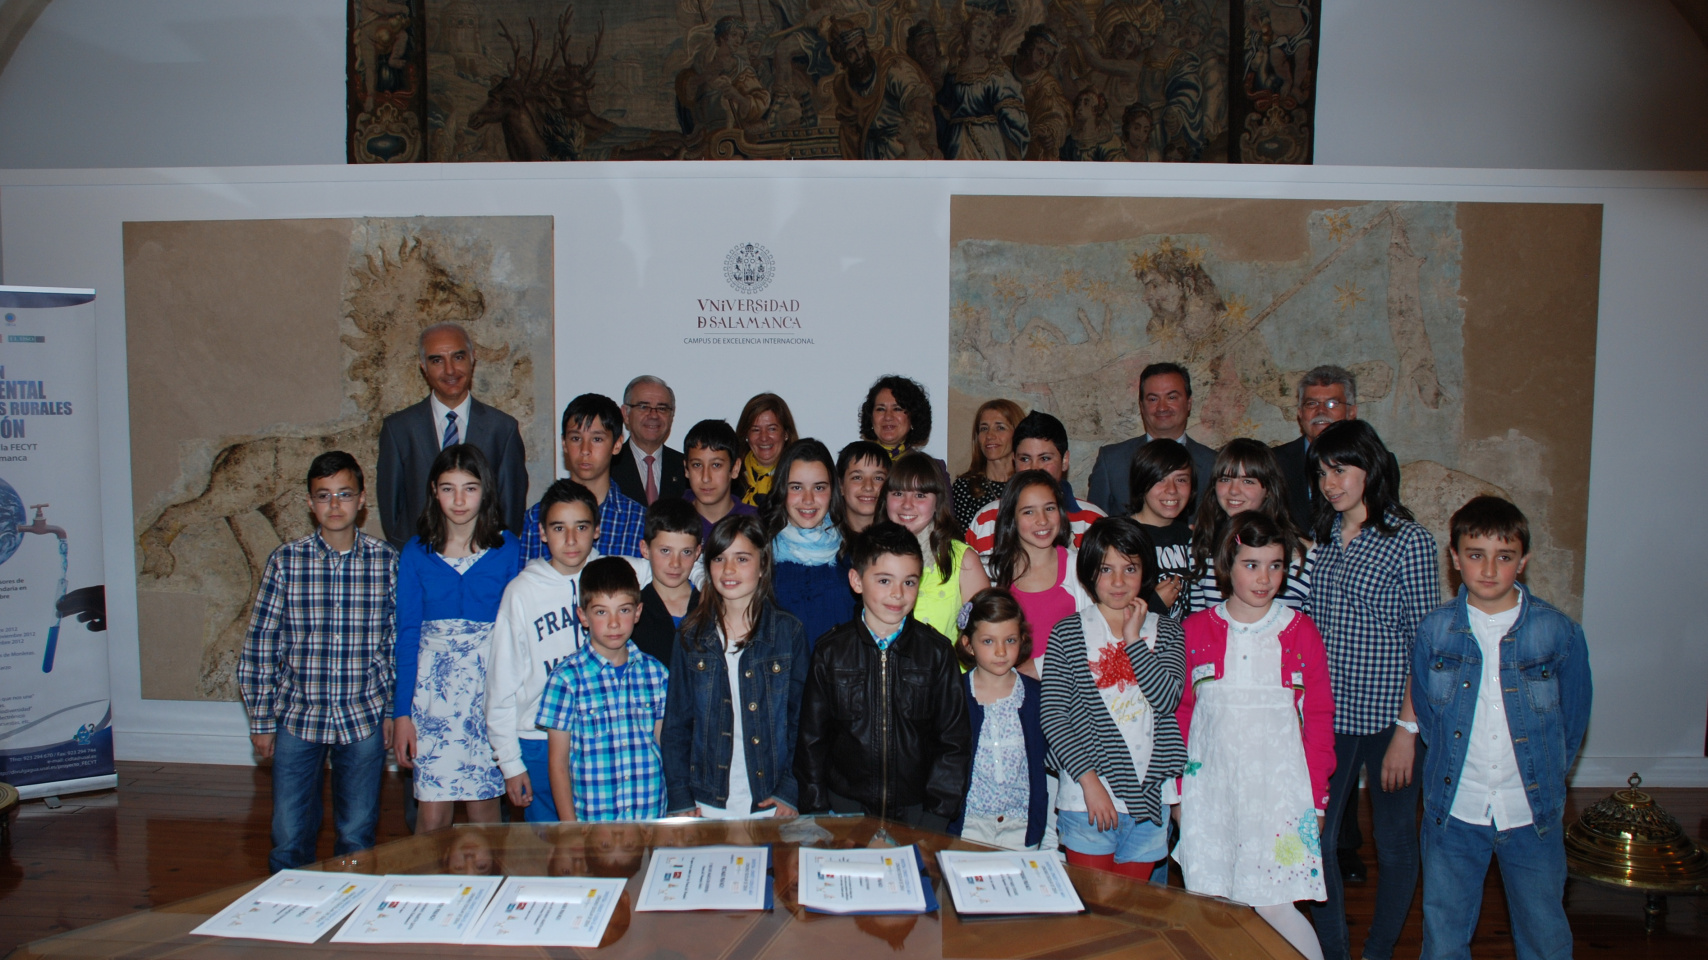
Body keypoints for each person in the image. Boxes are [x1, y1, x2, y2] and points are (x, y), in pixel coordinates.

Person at [1414, 496, 1591, 960]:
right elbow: (1430, 719)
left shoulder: (1558, 633)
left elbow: (1571, 724)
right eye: (1476, 555)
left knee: (1544, 934)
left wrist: (1545, 779)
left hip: (1529, 812)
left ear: (1523, 561)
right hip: (1455, 810)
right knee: (1444, 935)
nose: (1489, 569)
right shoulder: (1434, 632)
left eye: (1504, 557)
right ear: (1454, 559)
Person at [1304, 419, 1440, 960]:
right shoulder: (1326, 536)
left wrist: (1409, 730)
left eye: (1341, 469)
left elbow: (1426, 644)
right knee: (1316, 840)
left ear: (1371, 467)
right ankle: (1335, 949)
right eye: (1321, 472)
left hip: (1390, 720)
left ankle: (1380, 951)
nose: (1330, 482)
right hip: (1330, 718)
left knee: (1395, 842)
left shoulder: (1409, 541)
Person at [1177, 512, 1335, 960]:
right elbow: (1182, 716)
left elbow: (1319, 720)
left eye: (1276, 565)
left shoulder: (1300, 632)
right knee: (1214, 904)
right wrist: (1178, 793)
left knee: (1275, 903)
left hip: (1279, 796)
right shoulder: (1195, 632)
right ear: (1227, 563)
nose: (1265, 578)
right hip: (1212, 793)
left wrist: (1317, 798)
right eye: (1251, 564)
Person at [239, 451, 397, 872]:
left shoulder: (385, 563)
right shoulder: (286, 562)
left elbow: (395, 644)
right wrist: (261, 720)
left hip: (362, 716)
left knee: (357, 832)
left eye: (344, 495)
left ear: (362, 500)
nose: (334, 505)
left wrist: (391, 710)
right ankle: (288, 910)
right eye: (323, 496)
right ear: (309, 503)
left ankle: (350, 908)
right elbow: (261, 645)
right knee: (289, 832)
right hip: (297, 716)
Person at [486, 479, 650, 823]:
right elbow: (500, 684)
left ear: (597, 530)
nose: (571, 540)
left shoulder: (619, 573)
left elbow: (676, 568)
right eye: (559, 528)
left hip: (607, 734)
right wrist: (510, 762)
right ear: (543, 533)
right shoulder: (521, 593)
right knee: (552, 851)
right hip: (539, 739)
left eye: (582, 527)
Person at [795, 522, 972, 830]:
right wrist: (817, 809)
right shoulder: (830, 652)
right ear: (857, 580)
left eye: (909, 582)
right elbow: (812, 740)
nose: (897, 594)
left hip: (918, 813)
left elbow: (953, 742)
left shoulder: (938, 653)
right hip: (845, 810)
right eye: (884, 580)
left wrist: (937, 815)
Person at [1040, 517, 1186, 879]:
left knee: (1131, 912)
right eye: (1106, 569)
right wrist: (1091, 785)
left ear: (1145, 572)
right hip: (1085, 797)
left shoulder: (1166, 631)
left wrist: (1134, 640)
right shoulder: (1068, 632)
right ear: (1090, 573)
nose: (1118, 582)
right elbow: (1054, 717)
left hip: (1149, 799)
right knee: (1094, 909)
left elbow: (1166, 699)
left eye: (1130, 568)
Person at [392, 443, 518, 833]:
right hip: (433, 698)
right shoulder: (416, 552)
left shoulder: (507, 548)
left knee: (484, 808)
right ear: (433, 490)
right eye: (448, 488)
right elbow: (407, 633)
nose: (459, 500)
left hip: (488, 692)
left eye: (470, 487)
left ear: (486, 491)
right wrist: (401, 715)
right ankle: (426, 895)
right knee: (432, 813)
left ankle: (488, 892)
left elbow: (515, 632)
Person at [662, 514, 810, 819]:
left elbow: (803, 723)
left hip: (770, 801)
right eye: (719, 558)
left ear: (762, 565)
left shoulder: (788, 633)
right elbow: (676, 726)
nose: (728, 570)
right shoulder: (690, 637)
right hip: (706, 803)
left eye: (742, 558)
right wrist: (681, 799)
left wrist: (789, 790)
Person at [536, 557, 670, 821]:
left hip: (651, 816)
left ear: (638, 612)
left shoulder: (656, 674)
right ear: (583, 616)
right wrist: (569, 829)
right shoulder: (565, 680)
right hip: (594, 823)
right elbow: (558, 764)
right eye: (601, 612)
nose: (613, 623)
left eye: (623, 610)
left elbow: (663, 745)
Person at [376, 322, 528, 546]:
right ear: (423, 367)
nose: (450, 370)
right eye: (437, 360)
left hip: (484, 564)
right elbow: (392, 512)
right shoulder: (399, 430)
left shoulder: (502, 429)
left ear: (472, 359)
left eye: (458, 357)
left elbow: (510, 512)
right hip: (421, 564)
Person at [948, 588, 1049, 851]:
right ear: (968, 644)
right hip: (968, 825)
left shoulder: (1036, 696)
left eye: (1011, 640)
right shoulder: (953, 695)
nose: (1001, 651)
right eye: (989, 641)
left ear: (1022, 639)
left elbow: (1047, 767)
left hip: (1021, 826)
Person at [1186, 439, 1313, 614]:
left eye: (1247, 481)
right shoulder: (1201, 546)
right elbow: (1198, 619)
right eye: (1225, 479)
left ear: (1268, 488)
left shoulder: (1304, 553)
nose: (1233, 491)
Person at [520, 394, 648, 567]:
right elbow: (527, 586)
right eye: (576, 438)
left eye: (597, 439)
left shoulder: (639, 520)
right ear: (564, 444)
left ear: (617, 445)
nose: (585, 450)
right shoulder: (536, 517)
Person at [986, 469, 1093, 675]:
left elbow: (1095, 638)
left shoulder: (1080, 568)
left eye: (1049, 508)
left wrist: (1036, 668)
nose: (1042, 520)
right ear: (1011, 518)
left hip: (1069, 693)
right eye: (1028, 511)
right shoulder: (992, 574)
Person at [883, 451, 991, 642]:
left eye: (920, 495)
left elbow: (985, 633)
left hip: (948, 670)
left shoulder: (963, 559)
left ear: (937, 502)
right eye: (898, 493)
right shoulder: (871, 554)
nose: (907, 505)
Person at [966, 410, 1105, 556]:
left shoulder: (1092, 521)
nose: (1034, 468)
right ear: (1014, 460)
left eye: (1045, 459)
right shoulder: (987, 519)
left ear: (1064, 460)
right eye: (1025, 459)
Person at [1087, 362, 1218, 515]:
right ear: (1142, 406)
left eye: (1172, 397)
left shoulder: (1214, 464)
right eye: (1153, 399)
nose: (1162, 407)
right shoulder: (1111, 461)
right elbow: (1093, 527)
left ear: (1188, 403)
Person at [767, 439, 856, 650]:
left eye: (819, 487)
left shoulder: (853, 551)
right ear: (781, 489)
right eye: (796, 487)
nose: (808, 499)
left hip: (839, 679)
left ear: (833, 490)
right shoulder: (759, 551)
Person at [1274, 366, 1359, 534]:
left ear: (1351, 412)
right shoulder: (1273, 461)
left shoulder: (1375, 463)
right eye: (1311, 403)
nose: (1320, 411)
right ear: (1299, 413)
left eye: (1332, 403)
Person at [1126, 438, 1194, 619]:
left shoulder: (1191, 538)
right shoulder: (1120, 536)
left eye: (1181, 479)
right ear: (1142, 482)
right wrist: (1154, 603)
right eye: (1160, 479)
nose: (1171, 489)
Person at [633, 498, 703, 670]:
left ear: (697, 553)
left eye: (686, 552)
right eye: (665, 551)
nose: (675, 563)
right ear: (645, 549)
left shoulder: (710, 605)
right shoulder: (634, 611)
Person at [858, 374, 949, 481]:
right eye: (880, 409)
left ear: (913, 417)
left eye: (897, 409)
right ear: (871, 417)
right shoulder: (853, 464)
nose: (888, 417)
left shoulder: (933, 469)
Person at [612, 375, 686, 507]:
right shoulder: (608, 466)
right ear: (625, 414)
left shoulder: (686, 468)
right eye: (643, 407)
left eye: (662, 408)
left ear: (671, 416)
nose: (653, 415)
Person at [951, 398, 1023, 530]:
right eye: (984, 428)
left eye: (1000, 427)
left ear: (1018, 433)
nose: (990, 435)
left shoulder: (1028, 483)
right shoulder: (965, 486)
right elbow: (961, 541)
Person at [682, 418, 759, 540]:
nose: (706, 478)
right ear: (686, 469)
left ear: (735, 469)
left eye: (716, 465)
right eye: (697, 465)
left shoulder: (756, 523)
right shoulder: (670, 521)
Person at [734, 393, 798, 510]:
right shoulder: (731, 479)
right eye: (756, 430)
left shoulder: (799, 479)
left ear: (786, 433)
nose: (764, 437)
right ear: (746, 435)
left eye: (772, 429)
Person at [836, 440, 890, 541]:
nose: (868, 486)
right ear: (841, 485)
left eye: (878, 478)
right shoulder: (823, 541)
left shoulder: (899, 540)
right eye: (857, 477)